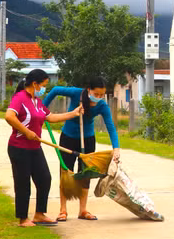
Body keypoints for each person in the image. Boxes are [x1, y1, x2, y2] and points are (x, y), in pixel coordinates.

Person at [5, 69, 82, 228]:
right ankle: (23, 219)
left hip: (35, 147)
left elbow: (50, 117)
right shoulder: (20, 97)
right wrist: (26, 131)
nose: (44, 88)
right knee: (23, 183)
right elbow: (9, 116)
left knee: (44, 179)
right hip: (19, 148)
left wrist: (73, 113)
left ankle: (39, 214)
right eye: (44, 85)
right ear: (35, 84)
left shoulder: (37, 101)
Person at [42, 75, 121, 221]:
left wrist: (116, 148)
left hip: (88, 140)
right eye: (96, 94)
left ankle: (83, 210)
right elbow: (55, 90)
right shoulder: (76, 93)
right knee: (65, 172)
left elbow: (110, 127)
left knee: (86, 174)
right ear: (88, 89)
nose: (98, 97)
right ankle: (63, 210)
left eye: (102, 95)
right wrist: (41, 110)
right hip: (68, 138)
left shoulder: (102, 106)